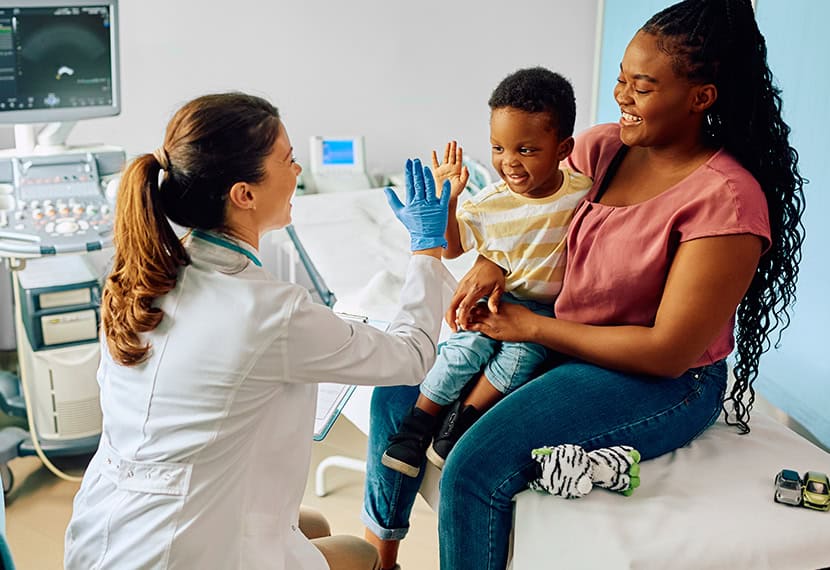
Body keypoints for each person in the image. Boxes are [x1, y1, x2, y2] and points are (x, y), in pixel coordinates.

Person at [362, 1, 805, 568]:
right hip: (554, 338)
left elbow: (668, 352)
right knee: (397, 389)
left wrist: (531, 325)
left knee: (475, 464)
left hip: (659, 379)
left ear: (702, 96)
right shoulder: (604, 149)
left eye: (640, 87)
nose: (621, 96)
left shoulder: (726, 200)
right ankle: (382, 558)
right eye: (621, 79)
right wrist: (495, 261)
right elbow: (530, 218)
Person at [63, 92, 458, 570]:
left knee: (308, 525)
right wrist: (426, 249)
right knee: (358, 555)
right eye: (288, 161)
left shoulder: (142, 276)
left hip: (107, 532)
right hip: (179, 552)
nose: (298, 173)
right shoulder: (268, 311)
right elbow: (413, 355)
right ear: (243, 195)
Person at [381, 69, 593, 478]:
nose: (508, 162)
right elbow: (454, 246)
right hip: (500, 298)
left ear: (563, 147)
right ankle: (417, 424)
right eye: (498, 147)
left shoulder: (582, 193)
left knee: (520, 359)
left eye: (527, 150)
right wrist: (449, 203)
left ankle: (458, 423)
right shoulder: (492, 201)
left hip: (544, 311)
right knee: (464, 350)